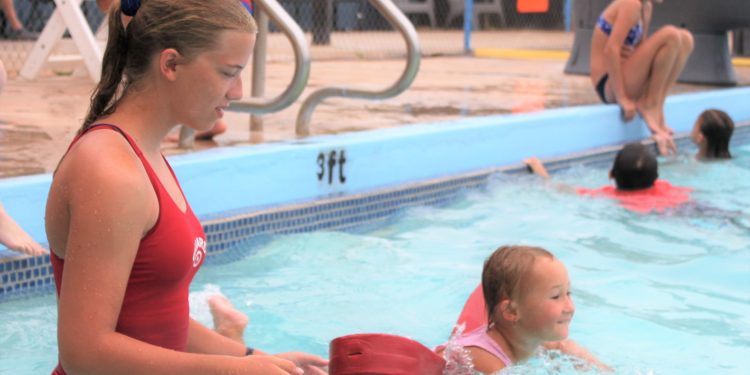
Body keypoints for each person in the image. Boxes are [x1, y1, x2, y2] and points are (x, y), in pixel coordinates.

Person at [44, 0, 326, 374]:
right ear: (171, 64)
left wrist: (252, 358)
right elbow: (84, 354)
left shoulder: (145, 156)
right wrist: (235, 372)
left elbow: (155, 318)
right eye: (229, 72)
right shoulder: (110, 171)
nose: (239, 91)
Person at [436, 245, 610, 374]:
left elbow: (564, 347)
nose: (570, 307)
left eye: (568, 293)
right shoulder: (485, 361)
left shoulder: (531, 338)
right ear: (512, 311)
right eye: (556, 296)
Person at [590, 0, 693, 156]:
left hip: (627, 76)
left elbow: (640, 48)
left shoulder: (646, 7)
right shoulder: (631, 3)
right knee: (670, 34)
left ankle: (657, 106)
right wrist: (622, 98)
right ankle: (648, 104)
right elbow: (611, 50)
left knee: (685, 39)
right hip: (608, 83)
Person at [525, 142, 692, 213]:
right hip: (679, 210)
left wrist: (541, 174)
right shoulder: (668, 189)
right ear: (656, 178)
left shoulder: (606, 195)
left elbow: (561, 188)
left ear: (610, 174)